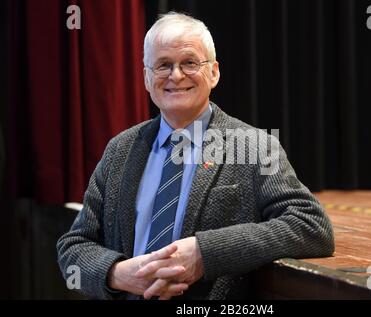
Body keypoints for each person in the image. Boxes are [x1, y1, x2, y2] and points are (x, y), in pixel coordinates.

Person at [57, 11, 334, 300]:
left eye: (189, 63)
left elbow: (311, 226)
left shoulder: (253, 146)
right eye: (163, 65)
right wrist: (116, 274)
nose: (176, 76)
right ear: (147, 78)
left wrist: (205, 252)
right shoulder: (120, 149)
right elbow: (74, 246)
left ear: (213, 72)